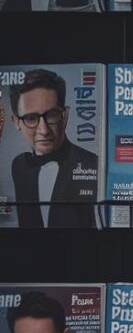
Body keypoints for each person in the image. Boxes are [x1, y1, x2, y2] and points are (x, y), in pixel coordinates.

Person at [8, 69, 99, 228]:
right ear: (16, 122)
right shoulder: (19, 166)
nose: (43, 130)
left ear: (65, 116)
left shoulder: (93, 164)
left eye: (51, 115)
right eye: (31, 118)